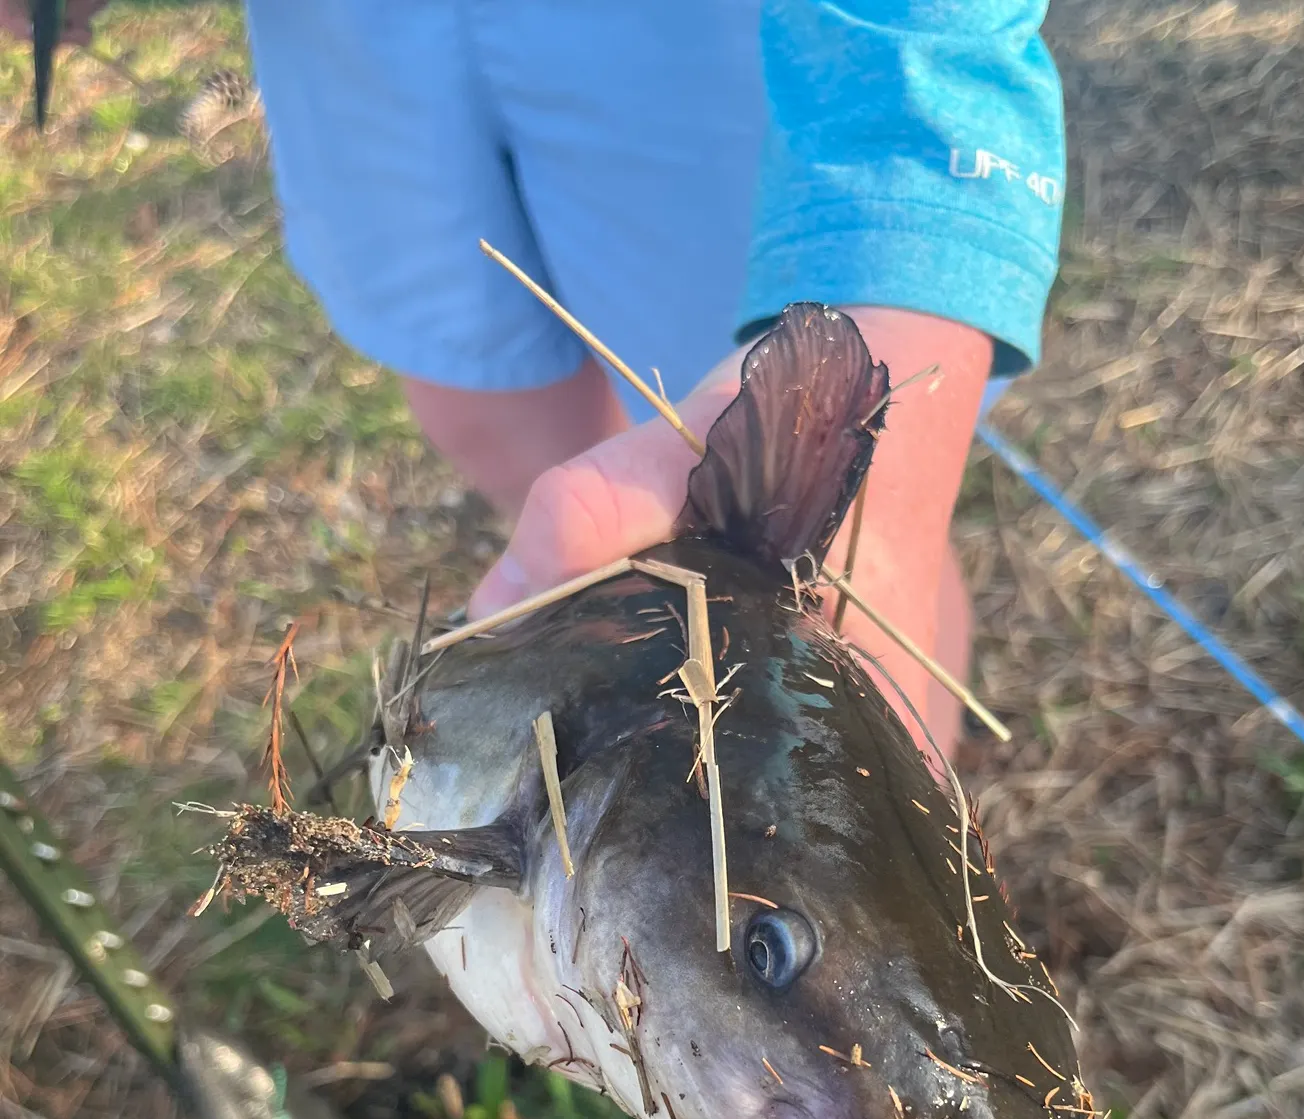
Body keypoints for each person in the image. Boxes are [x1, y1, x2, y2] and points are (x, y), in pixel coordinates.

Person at [10, 0, 1065, 755]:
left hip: (706, 34)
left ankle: (890, 888)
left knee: (827, 539)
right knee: (507, 427)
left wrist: (903, 211)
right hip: (346, 36)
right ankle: (636, 763)